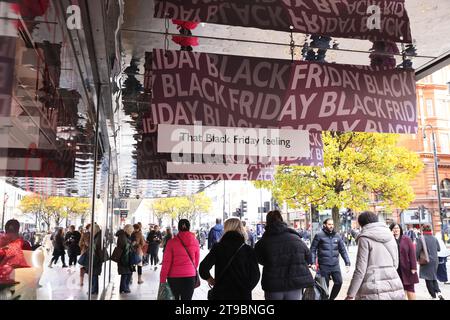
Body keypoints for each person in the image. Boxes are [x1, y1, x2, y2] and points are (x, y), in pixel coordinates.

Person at [255, 210, 314, 300]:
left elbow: (259, 259)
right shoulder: (296, 238)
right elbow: (308, 257)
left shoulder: (263, 242)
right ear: (282, 220)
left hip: (273, 285)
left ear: (267, 222)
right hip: (294, 283)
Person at [346, 211, 405, 300]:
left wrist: (350, 294)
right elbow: (395, 263)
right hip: (393, 284)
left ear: (362, 224)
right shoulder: (390, 235)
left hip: (372, 286)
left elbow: (360, 270)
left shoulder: (364, 238)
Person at [199, 218, 260, 300]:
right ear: (241, 228)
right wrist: (246, 289)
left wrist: (210, 279)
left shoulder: (218, 248)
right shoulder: (248, 250)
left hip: (221, 294)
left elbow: (203, 268)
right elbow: (255, 275)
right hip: (242, 295)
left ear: (226, 229)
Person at [309, 218, 351, 300]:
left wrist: (347, 263)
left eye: (332, 224)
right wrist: (313, 262)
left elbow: (343, 250)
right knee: (324, 287)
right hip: (324, 266)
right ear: (325, 225)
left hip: (335, 265)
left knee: (339, 282)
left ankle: (331, 298)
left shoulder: (337, 236)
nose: (331, 226)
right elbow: (312, 250)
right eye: (329, 224)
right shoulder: (319, 235)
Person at [160, 219, 200, 300]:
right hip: (190, 276)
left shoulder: (171, 242)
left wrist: (162, 278)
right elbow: (196, 260)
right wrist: (190, 269)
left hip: (174, 277)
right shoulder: (195, 241)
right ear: (189, 228)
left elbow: (166, 262)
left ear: (178, 228)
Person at [389, 223, 419, 300]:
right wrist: (390, 236)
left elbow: (412, 254)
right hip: (395, 268)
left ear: (400, 229)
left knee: (410, 288)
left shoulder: (407, 239)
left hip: (407, 267)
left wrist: (413, 267)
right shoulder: (389, 240)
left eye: (397, 228)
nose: (396, 230)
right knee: (399, 289)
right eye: (394, 228)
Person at [416, 225, 445, 300]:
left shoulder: (421, 238)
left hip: (426, 261)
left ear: (423, 230)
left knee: (428, 279)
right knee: (433, 277)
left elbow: (417, 250)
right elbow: (438, 249)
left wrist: (416, 259)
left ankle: (433, 296)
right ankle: (439, 293)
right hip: (435, 261)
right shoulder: (434, 238)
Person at [116, 224, 134, 294]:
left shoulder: (124, 235)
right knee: (125, 274)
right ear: (128, 230)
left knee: (127, 273)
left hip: (125, 257)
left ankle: (124, 288)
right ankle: (124, 288)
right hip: (124, 258)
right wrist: (131, 244)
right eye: (131, 231)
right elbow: (125, 246)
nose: (131, 232)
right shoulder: (122, 236)